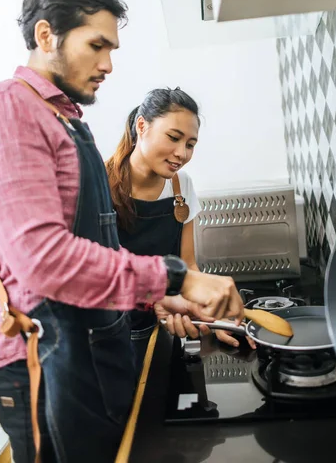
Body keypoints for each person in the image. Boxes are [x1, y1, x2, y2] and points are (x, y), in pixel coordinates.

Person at [0, 0, 244, 463]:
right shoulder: (6, 111)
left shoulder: (65, 120)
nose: (109, 63)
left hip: (92, 350)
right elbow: (43, 261)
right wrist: (177, 280)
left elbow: (99, 251)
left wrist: (162, 298)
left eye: (112, 49)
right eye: (97, 45)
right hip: (48, 363)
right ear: (47, 35)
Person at [106, 88, 255, 371]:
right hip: (114, 334)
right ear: (142, 125)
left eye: (190, 144)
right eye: (173, 138)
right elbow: (96, 273)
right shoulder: (99, 185)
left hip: (167, 324)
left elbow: (187, 265)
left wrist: (210, 317)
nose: (182, 153)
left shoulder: (180, 185)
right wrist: (162, 300)